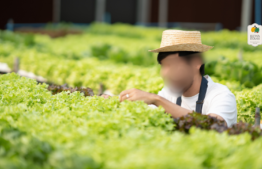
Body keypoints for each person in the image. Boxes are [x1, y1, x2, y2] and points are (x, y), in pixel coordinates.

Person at [101, 30, 237, 127]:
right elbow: (150, 112)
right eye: (163, 66)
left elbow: (215, 125)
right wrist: (117, 101)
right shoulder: (169, 93)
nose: (165, 73)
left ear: (196, 63)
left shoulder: (221, 95)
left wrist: (156, 100)